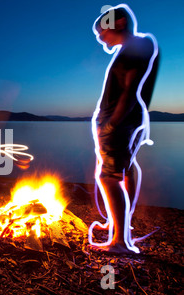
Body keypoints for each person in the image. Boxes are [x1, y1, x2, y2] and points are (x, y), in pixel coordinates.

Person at [89, 4, 159, 254]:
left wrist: (111, 123)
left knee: (108, 177)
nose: (99, 36)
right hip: (126, 119)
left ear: (118, 23)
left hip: (120, 120)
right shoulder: (134, 48)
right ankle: (121, 224)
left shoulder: (137, 47)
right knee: (126, 168)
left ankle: (119, 242)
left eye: (101, 30)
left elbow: (130, 90)